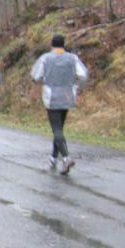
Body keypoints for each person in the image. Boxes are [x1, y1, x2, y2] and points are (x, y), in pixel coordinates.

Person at [31, 34, 88, 174]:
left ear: (52, 44)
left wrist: (44, 81)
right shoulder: (72, 58)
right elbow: (83, 75)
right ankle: (53, 157)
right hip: (68, 95)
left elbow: (36, 76)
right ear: (64, 44)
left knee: (56, 129)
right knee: (59, 129)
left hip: (51, 97)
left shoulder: (45, 58)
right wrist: (78, 87)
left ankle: (66, 158)